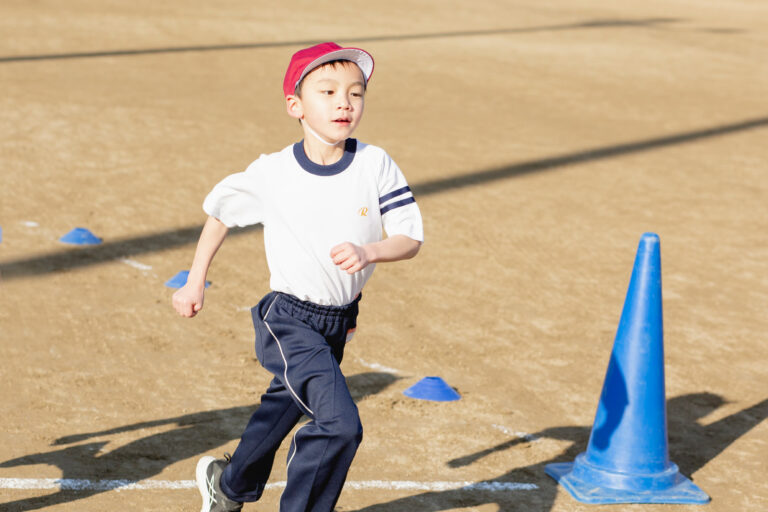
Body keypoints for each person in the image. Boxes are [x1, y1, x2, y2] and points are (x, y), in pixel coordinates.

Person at [171, 42, 424, 512]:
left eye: (356, 92)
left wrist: (370, 250)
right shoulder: (273, 172)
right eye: (327, 91)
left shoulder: (375, 164)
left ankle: (227, 488)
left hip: (340, 320)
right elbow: (221, 215)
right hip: (288, 319)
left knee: (282, 405)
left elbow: (409, 238)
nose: (344, 102)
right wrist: (194, 280)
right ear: (296, 106)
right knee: (340, 424)